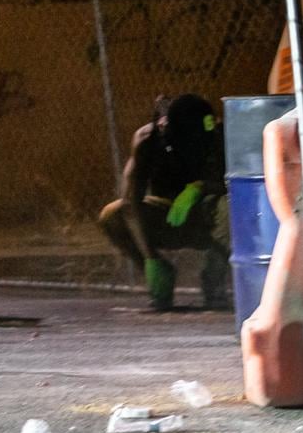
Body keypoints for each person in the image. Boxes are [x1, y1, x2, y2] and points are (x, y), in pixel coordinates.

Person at [97, 95, 230, 311]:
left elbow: (242, 186)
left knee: (230, 207)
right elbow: (130, 202)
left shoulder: (218, 133)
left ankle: (213, 283)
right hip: (168, 216)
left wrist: (200, 187)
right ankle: (161, 276)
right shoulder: (148, 140)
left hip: (209, 215)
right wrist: (149, 257)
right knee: (112, 215)